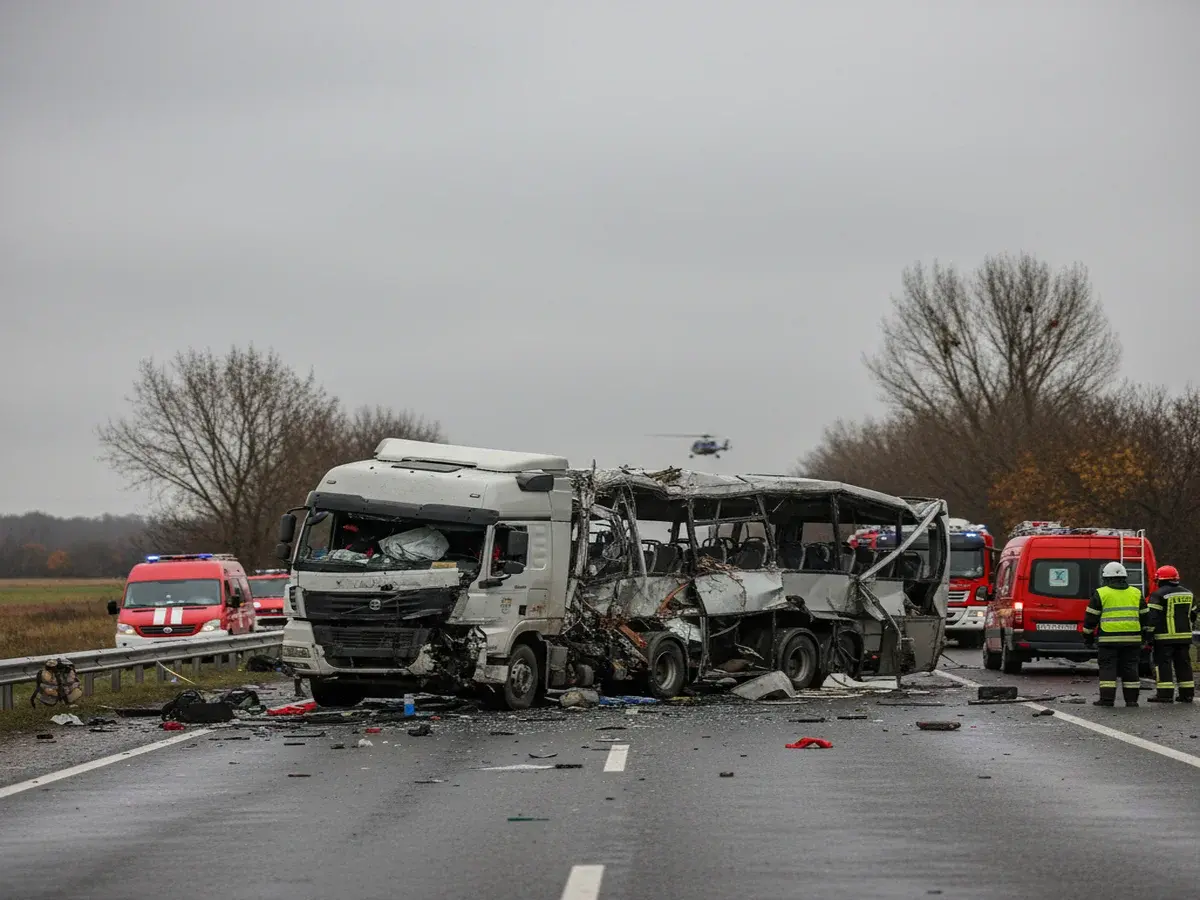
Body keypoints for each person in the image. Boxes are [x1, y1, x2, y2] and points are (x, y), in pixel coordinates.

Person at [1082, 561, 1151, 707]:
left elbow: (1090, 619)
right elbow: (1145, 618)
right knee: (1131, 668)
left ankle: (1107, 700)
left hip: (1108, 639)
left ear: (1106, 578)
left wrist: (1088, 638)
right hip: (1133, 639)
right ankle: (1132, 701)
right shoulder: (1136, 593)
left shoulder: (1101, 593)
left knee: (1108, 668)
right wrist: (1146, 637)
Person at [1145, 565, 1195, 703]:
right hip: (1184, 637)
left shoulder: (1158, 595)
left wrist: (1148, 636)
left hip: (1164, 638)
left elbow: (1152, 618)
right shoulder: (1188, 594)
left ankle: (1165, 695)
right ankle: (1187, 694)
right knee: (1184, 665)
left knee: (1163, 665)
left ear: (1160, 579)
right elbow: (1193, 614)